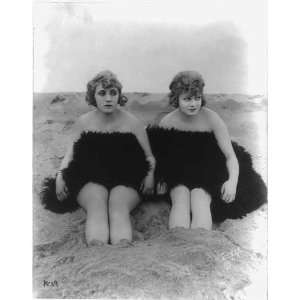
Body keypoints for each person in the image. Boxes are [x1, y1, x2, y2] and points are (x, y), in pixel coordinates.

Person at [41, 70, 156, 246]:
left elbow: (149, 156)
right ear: (93, 97)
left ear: (119, 96)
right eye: (102, 93)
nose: (108, 98)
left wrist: (150, 175)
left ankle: (122, 249)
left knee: (118, 205)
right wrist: (59, 176)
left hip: (127, 176)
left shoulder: (133, 122)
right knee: (96, 205)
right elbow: (69, 155)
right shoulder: (83, 122)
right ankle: (98, 251)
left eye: (113, 93)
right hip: (90, 175)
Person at [147, 71, 267, 230]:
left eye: (197, 98)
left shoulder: (212, 119)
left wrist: (232, 182)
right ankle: (178, 239)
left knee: (199, 199)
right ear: (176, 99)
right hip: (178, 173)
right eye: (187, 99)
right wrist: (161, 179)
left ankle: (199, 241)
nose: (193, 104)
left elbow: (231, 156)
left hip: (207, 172)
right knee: (180, 197)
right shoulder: (167, 121)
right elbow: (161, 156)